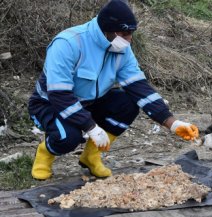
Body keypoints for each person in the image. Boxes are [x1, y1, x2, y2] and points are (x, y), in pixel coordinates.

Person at [28, 0, 199, 180]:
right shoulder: (68, 43)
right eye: (124, 34)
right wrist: (91, 127)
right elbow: (60, 95)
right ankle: (45, 153)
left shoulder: (122, 49)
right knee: (67, 139)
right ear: (106, 30)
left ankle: (91, 156)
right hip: (50, 104)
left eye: (131, 33)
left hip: (90, 102)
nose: (129, 39)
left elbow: (139, 88)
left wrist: (172, 123)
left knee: (129, 103)